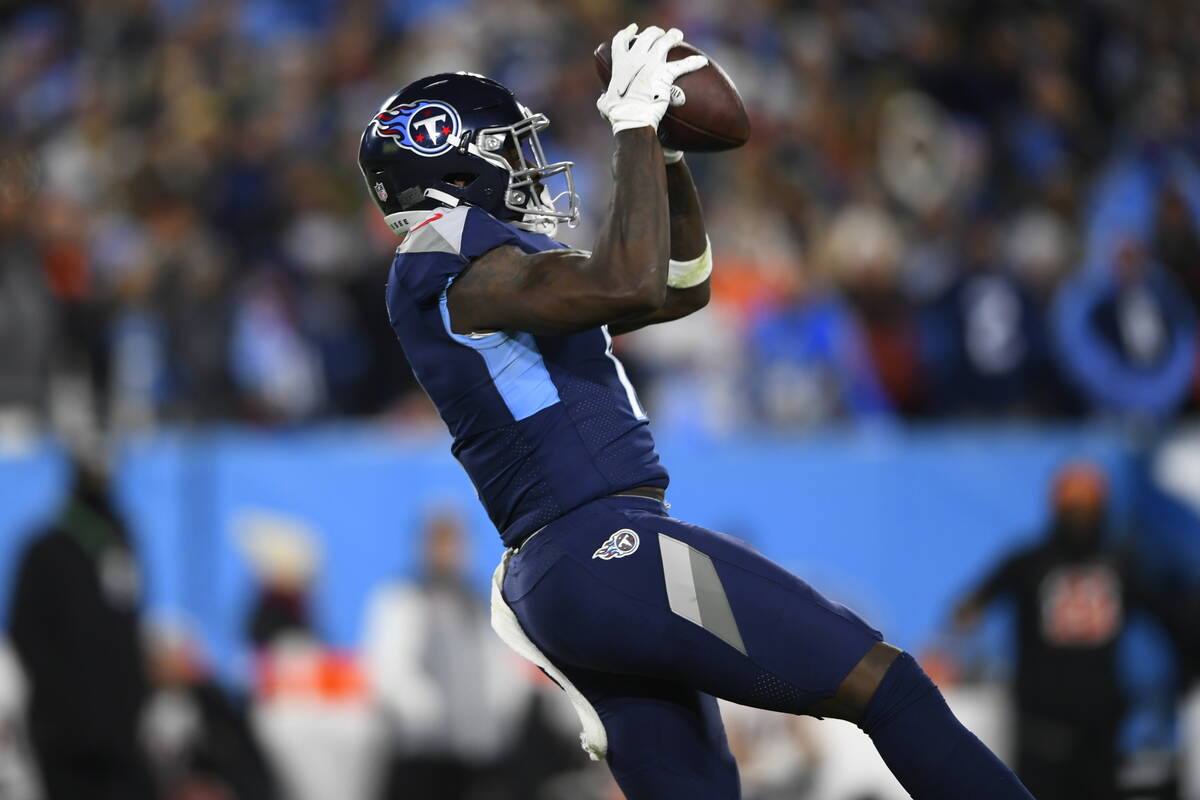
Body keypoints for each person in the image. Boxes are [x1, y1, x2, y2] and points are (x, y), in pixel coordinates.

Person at [358, 24, 1031, 799]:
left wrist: (668, 155)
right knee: (885, 682)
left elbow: (680, 282)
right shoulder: (444, 267)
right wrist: (636, 126)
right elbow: (631, 283)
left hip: (578, 569)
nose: (527, 168)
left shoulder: (489, 278)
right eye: (508, 150)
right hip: (600, 544)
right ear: (451, 166)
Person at [950, 461, 1182, 799]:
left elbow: (967, 609)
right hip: (1051, 724)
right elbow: (968, 610)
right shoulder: (1110, 563)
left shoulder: (1044, 561)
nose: (1078, 516)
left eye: (1082, 508)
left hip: (1090, 725)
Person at [8, 459, 157, 800]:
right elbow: (26, 633)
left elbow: (130, 629)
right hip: (65, 733)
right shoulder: (46, 549)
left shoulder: (121, 543)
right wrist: (63, 698)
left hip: (120, 732)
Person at [361, 509, 528, 800]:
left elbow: (498, 662)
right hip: (422, 750)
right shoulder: (404, 597)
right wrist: (423, 713)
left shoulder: (477, 600)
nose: (448, 551)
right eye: (440, 542)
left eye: (454, 542)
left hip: (476, 746)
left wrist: (501, 709)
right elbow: (389, 666)